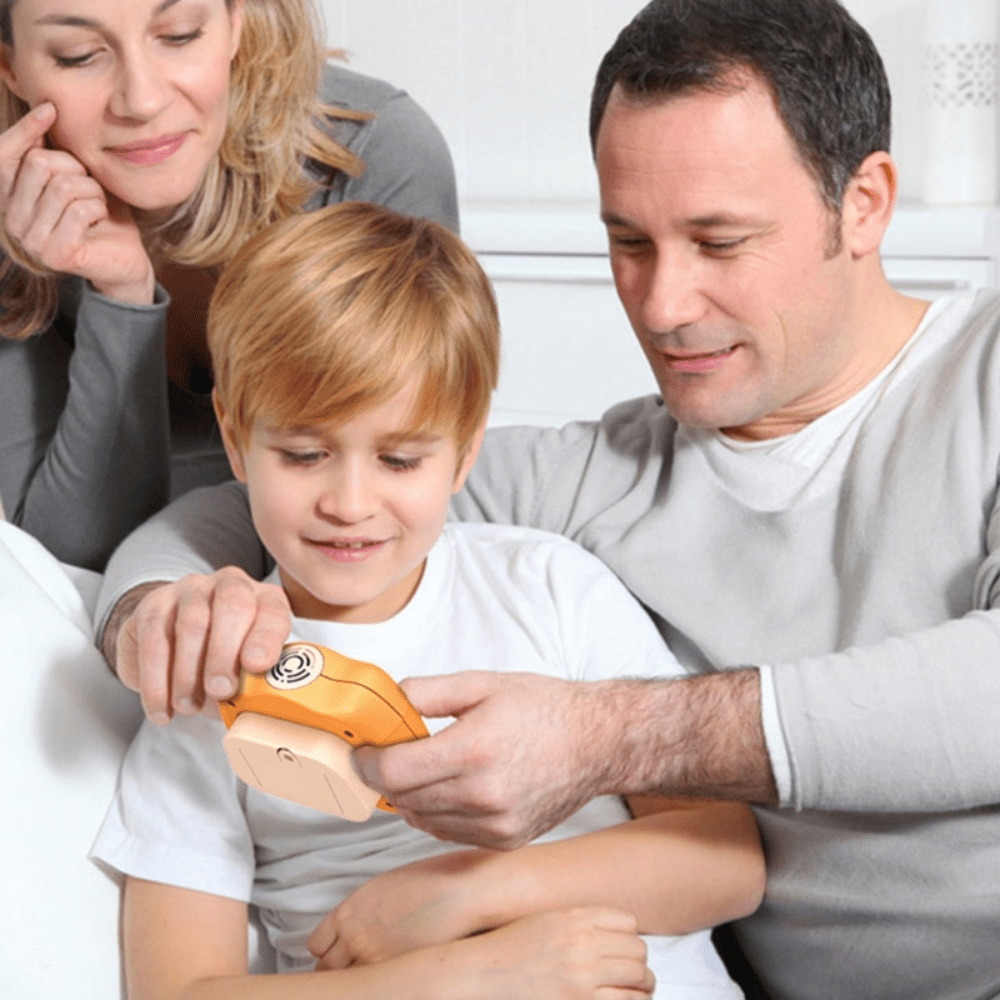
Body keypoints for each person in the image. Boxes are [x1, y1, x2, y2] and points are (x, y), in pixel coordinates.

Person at [91, 0, 1000, 996]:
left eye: (720, 240)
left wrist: (599, 739)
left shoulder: (983, 369)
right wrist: (166, 612)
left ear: (863, 202)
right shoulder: (579, 485)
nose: (660, 306)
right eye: (629, 241)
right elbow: (253, 504)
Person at [90, 200, 764, 999]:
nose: (350, 502)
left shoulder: (549, 587)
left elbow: (728, 858)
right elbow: (177, 991)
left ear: (466, 449)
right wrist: (467, 976)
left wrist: (462, 896)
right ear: (237, 441)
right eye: (304, 454)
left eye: (400, 460)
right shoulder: (209, 690)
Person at [0, 0, 457, 570]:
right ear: (10, 66)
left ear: (237, 21)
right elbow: (62, 559)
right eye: (80, 55)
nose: (142, 101)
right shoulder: (15, 203)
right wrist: (122, 297)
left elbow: (382, 522)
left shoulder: (372, 153)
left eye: (180, 35)